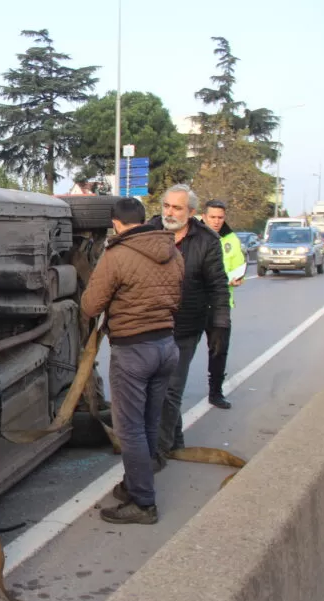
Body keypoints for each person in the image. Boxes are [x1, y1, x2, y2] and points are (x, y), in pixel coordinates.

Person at [81, 197, 184, 525]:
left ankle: (143, 502)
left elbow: (90, 306)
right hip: (167, 346)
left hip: (134, 351)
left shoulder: (117, 256)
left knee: (130, 430)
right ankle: (135, 483)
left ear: (116, 222)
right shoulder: (173, 252)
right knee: (150, 422)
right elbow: (178, 296)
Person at [145, 185, 230, 462]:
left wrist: (219, 326)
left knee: (170, 389)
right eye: (166, 206)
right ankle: (175, 439)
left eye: (177, 208)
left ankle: (158, 451)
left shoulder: (206, 241)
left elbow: (218, 286)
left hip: (186, 326)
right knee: (154, 387)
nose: (169, 212)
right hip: (151, 323)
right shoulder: (147, 232)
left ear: (191, 212)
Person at [201, 199, 246, 409]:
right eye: (213, 217)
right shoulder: (194, 236)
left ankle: (215, 392)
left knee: (219, 350)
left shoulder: (231, 239)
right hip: (195, 301)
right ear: (204, 216)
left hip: (220, 302)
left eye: (220, 217)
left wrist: (237, 278)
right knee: (179, 351)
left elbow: (238, 265)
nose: (217, 221)